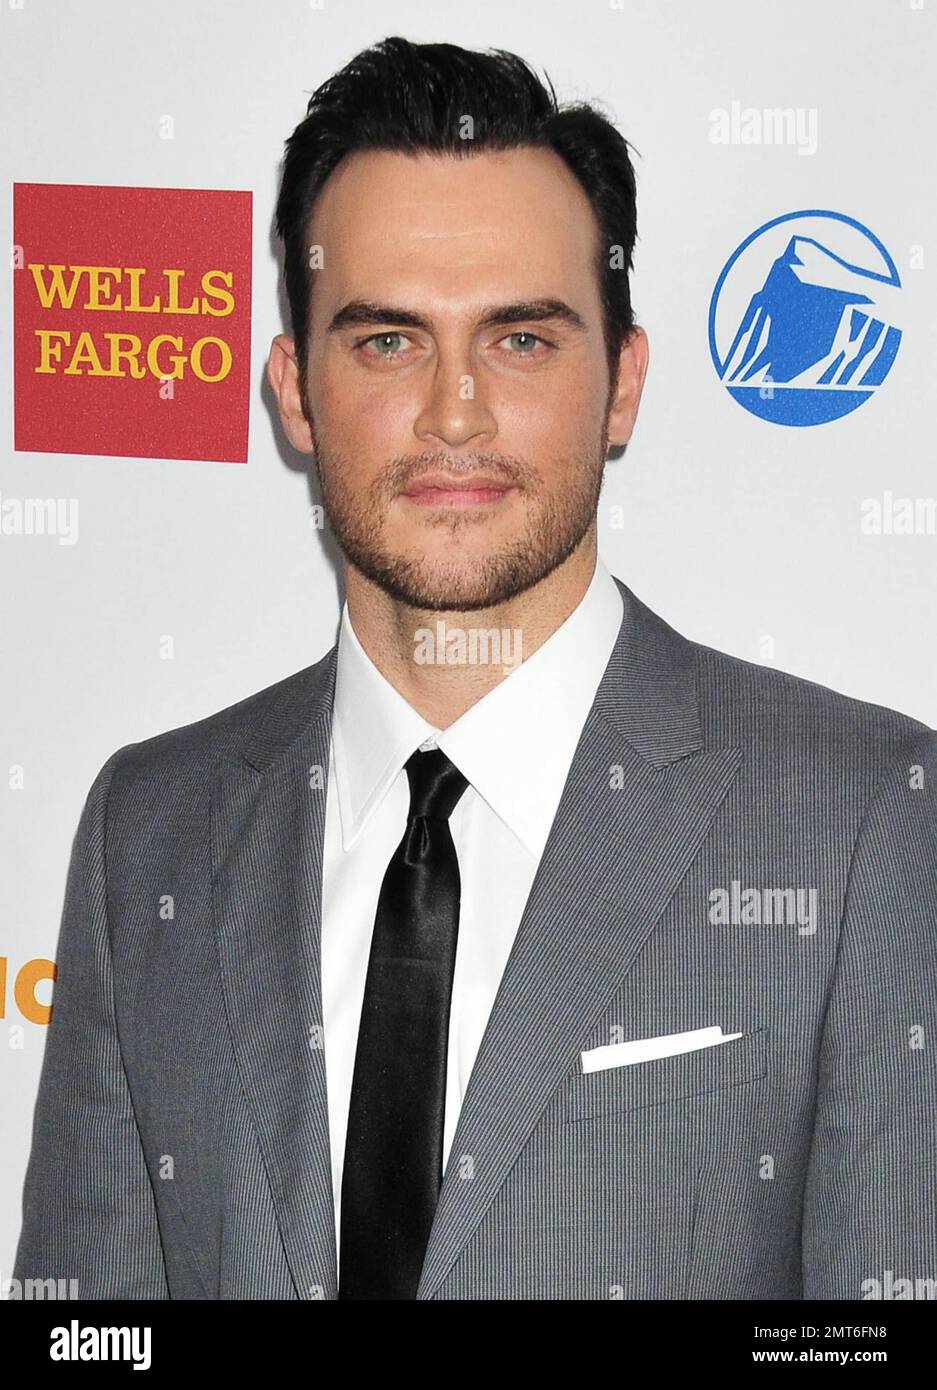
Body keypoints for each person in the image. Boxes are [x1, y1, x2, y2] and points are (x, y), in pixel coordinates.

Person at [14, 36, 937, 1301]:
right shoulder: (151, 826)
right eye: (387, 341)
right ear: (295, 390)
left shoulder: (861, 813)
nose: (455, 411)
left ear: (622, 384)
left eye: (519, 339)